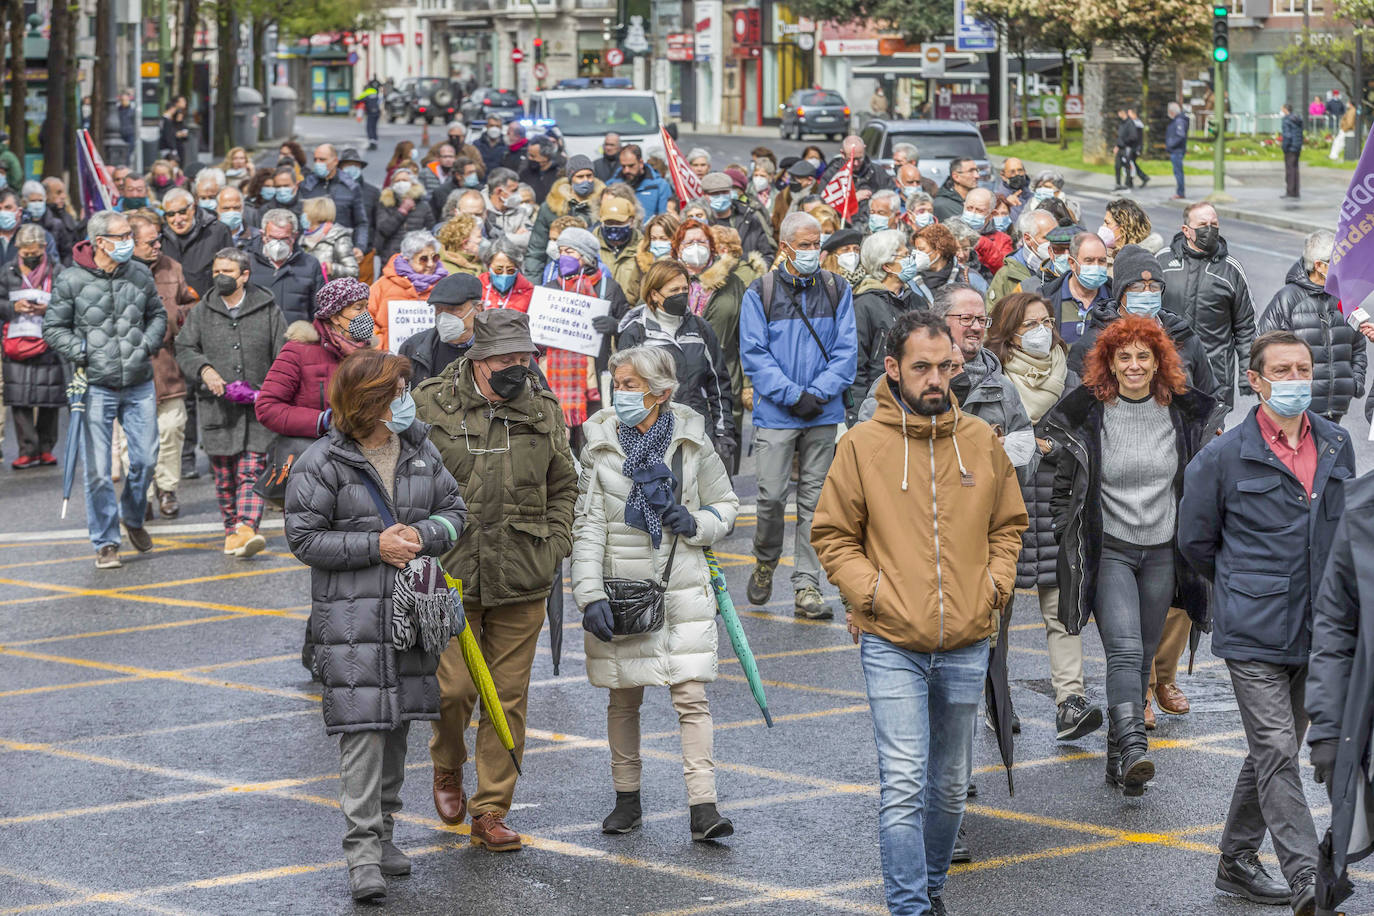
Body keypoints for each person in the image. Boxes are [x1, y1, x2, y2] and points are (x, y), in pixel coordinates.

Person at [813, 309, 1027, 916]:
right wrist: (872, 594)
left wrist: (993, 587)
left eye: (946, 367)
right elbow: (832, 535)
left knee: (951, 788)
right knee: (904, 784)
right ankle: (909, 907)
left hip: (967, 639)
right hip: (892, 642)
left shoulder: (981, 442)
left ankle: (931, 892)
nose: (937, 379)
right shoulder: (861, 446)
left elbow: (1009, 525)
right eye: (922, 367)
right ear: (892, 369)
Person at [285, 348, 466, 904]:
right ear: (370, 402)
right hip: (352, 621)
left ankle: (386, 834)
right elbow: (304, 539)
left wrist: (425, 536)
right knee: (363, 734)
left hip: (410, 618)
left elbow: (456, 511)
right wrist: (374, 544)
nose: (408, 400)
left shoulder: (419, 449)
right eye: (399, 391)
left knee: (399, 726)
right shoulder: (322, 462)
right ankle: (362, 853)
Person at [1179, 330, 1349, 915]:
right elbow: (1196, 542)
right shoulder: (1224, 455)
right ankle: (1307, 877)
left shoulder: (1335, 442)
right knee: (1277, 748)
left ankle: (1235, 859)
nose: (1296, 379)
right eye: (1283, 370)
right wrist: (1243, 586)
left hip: (1318, 627)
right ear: (1256, 380)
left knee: (1269, 750)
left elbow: (1342, 531)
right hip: (1252, 627)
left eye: (1303, 367)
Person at [414, 309, 576, 853]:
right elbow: (401, 478)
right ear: (477, 360)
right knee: (454, 692)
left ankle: (491, 808)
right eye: (506, 359)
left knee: (506, 700)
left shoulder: (542, 407)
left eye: (525, 358)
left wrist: (556, 544)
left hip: (523, 572)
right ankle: (446, 767)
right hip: (449, 573)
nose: (518, 368)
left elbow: (564, 485)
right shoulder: (429, 403)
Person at [573, 344, 740, 840]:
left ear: (661, 392)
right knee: (623, 698)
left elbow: (726, 504)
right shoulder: (599, 443)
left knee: (691, 697)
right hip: (619, 585)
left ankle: (703, 807)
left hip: (680, 582)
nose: (618, 393)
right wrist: (588, 595)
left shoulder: (692, 440)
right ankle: (627, 800)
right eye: (616, 383)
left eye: (629, 385)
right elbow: (588, 525)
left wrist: (697, 522)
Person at [1046, 315, 1215, 796]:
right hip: (1112, 549)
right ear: (1109, 364)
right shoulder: (1088, 412)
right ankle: (1136, 746)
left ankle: (1117, 761)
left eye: (1145, 356)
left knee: (1143, 655)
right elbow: (1063, 488)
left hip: (1162, 548)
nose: (1135, 365)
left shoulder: (1181, 413)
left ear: (1160, 361)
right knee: (1122, 648)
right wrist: (1068, 532)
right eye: (1125, 357)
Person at [985, 292, 1103, 741]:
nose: (1041, 330)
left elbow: (1088, 441)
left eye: (1047, 321)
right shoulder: (993, 382)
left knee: (1061, 608)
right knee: (998, 611)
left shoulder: (1070, 380)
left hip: (1056, 507)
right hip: (1007, 511)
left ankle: (1069, 702)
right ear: (1008, 332)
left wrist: (1057, 449)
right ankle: (997, 697)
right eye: (1029, 323)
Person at [740, 211, 856, 620]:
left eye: (816, 244)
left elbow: (846, 351)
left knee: (816, 502)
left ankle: (806, 584)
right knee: (771, 497)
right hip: (777, 413)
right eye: (804, 245)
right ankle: (766, 559)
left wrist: (819, 392)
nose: (813, 252)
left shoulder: (836, 288)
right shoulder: (761, 292)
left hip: (822, 412)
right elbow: (754, 354)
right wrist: (792, 395)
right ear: (785, 247)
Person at [43, 211, 167, 568]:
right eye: (123, 235)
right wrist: (82, 351)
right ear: (101, 242)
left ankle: (132, 515)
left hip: (139, 380)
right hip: (95, 386)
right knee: (97, 470)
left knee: (145, 460)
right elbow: (53, 328)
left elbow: (157, 314)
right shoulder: (71, 280)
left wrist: (146, 344)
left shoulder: (139, 273)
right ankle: (106, 541)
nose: (130, 240)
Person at [176, 247, 285, 556]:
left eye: (227, 272)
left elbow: (283, 353)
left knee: (251, 472)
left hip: (256, 408)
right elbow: (184, 347)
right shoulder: (201, 311)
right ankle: (232, 532)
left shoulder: (268, 309)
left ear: (244, 275)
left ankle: (247, 528)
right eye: (216, 272)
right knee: (224, 479)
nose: (220, 277)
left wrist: (270, 390)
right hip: (217, 409)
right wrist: (204, 369)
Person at [1071, 245, 1224, 416]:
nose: (1147, 292)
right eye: (1137, 287)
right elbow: (1073, 410)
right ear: (1120, 291)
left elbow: (1211, 395)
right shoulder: (1093, 343)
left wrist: (1209, 429)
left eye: (1154, 286)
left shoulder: (1183, 337)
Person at [616, 260, 735, 462]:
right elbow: (623, 391)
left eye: (684, 288)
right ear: (654, 294)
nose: (681, 295)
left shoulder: (700, 328)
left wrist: (724, 433)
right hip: (652, 433)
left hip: (698, 426)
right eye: (673, 290)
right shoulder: (636, 332)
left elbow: (719, 384)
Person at [1258, 230, 1365, 423]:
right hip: (1298, 409)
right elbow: (1262, 349)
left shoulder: (1345, 296)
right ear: (1319, 266)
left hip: (1335, 408)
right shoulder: (1287, 299)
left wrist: (1353, 383)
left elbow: (1358, 346)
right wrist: (1288, 390)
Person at [128, 212, 196, 516]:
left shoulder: (173, 267)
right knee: (138, 438)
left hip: (169, 366)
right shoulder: (118, 271)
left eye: (159, 238)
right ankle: (140, 493)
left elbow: (189, 303)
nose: (158, 245)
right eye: (151, 241)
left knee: (171, 430)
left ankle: (167, 489)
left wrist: (180, 317)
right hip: (130, 369)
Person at [541, 226, 629, 445]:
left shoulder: (609, 288)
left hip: (596, 381)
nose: (563, 257)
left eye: (570, 252)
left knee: (596, 439)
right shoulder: (549, 290)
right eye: (560, 251)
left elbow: (630, 331)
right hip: (559, 381)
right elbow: (535, 338)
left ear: (587, 257)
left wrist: (616, 326)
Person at [0, 224, 64, 469]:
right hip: (16, 340)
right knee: (20, 397)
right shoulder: (8, 272)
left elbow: (70, 300)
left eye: (35, 249)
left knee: (49, 395)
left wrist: (48, 308)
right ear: (18, 248)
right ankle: (27, 449)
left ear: (43, 247)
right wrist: (12, 308)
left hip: (47, 338)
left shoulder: (57, 270)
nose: (30, 254)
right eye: (25, 250)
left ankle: (46, 448)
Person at [848, 230, 925, 423]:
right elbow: (856, 366)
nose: (912, 259)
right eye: (905, 255)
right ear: (888, 266)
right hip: (878, 405)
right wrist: (856, 415)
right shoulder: (864, 305)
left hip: (917, 401)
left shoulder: (917, 301)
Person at [524, 154, 603, 279]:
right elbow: (536, 251)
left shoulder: (601, 205)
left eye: (589, 176)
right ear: (571, 178)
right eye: (580, 177)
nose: (586, 181)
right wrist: (533, 284)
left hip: (590, 275)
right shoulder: (551, 207)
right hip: (554, 274)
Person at [369, 230, 448, 353]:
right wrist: (381, 346)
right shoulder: (382, 286)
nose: (431, 264)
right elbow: (366, 320)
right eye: (423, 259)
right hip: (390, 361)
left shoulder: (447, 284)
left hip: (434, 359)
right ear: (407, 259)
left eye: (435, 257)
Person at [399, 273, 483, 382]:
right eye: (438, 309)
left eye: (453, 309)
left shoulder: (497, 349)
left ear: (478, 309)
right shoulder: (413, 348)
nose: (444, 317)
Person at [248, 209, 323, 327]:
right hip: (257, 336)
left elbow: (319, 310)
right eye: (272, 238)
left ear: (294, 236)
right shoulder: (248, 262)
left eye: (284, 239)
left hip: (296, 339)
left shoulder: (310, 264)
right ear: (263, 235)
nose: (278, 244)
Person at [1036, 231, 1112, 346]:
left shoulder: (1115, 297)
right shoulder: (1047, 298)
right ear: (1072, 263)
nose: (1096, 266)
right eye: (1089, 260)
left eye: (1101, 261)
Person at [157, 188, 231, 300]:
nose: (177, 219)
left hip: (209, 307)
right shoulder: (160, 236)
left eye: (182, 212)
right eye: (171, 214)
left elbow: (230, 272)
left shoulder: (218, 231)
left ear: (193, 209)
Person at [989, 209, 1060, 308]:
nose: (1053, 243)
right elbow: (994, 315)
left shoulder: (1063, 267)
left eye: (1056, 237)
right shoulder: (1007, 274)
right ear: (1028, 239)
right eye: (1047, 238)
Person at [374, 167, 436, 268]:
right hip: (390, 256)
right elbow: (383, 229)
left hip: (416, 257)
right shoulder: (386, 203)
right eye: (397, 181)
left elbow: (430, 230)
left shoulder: (423, 205)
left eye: (404, 180)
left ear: (412, 183)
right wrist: (402, 211)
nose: (401, 183)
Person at [299, 196, 358, 281]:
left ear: (315, 213)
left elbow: (353, 272)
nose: (301, 215)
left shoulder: (338, 236)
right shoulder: (301, 237)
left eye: (304, 212)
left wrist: (332, 268)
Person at [609, 144, 673, 217]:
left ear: (641, 163)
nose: (626, 170)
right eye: (623, 166)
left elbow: (665, 218)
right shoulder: (612, 186)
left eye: (631, 166)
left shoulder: (660, 186)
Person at [479, 235, 535, 313]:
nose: (504, 274)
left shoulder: (529, 293)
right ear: (489, 266)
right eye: (498, 270)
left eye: (510, 270)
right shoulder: (477, 287)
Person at [1165, 102, 1189, 200]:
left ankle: (1180, 193)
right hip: (1176, 150)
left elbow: (1180, 135)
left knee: (1178, 172)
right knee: (1177, 171)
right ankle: (1180, 192)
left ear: (1171, 111)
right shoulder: (1178, 120)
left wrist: (1171, 144)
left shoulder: (1179, 121)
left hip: (1177, 150)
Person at [1281, 103, 1304, 200]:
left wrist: (1284, 147)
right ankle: (1295, 191)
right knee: (1295, 169)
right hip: (1297, 146)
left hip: (1290, 147)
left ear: (1285, 110)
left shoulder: (1286, 120)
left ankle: (1290, 191)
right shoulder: (1297, 119)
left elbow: (1287, 136)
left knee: (1290, 170)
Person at [356, 80, 382, 150]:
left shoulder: (366, 92)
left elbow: (358, 100)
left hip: (370, 112)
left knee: (369, 127)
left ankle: (372, 143)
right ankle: (375, 142)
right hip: (377, 112)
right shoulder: (376, 92)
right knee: (374, 127)